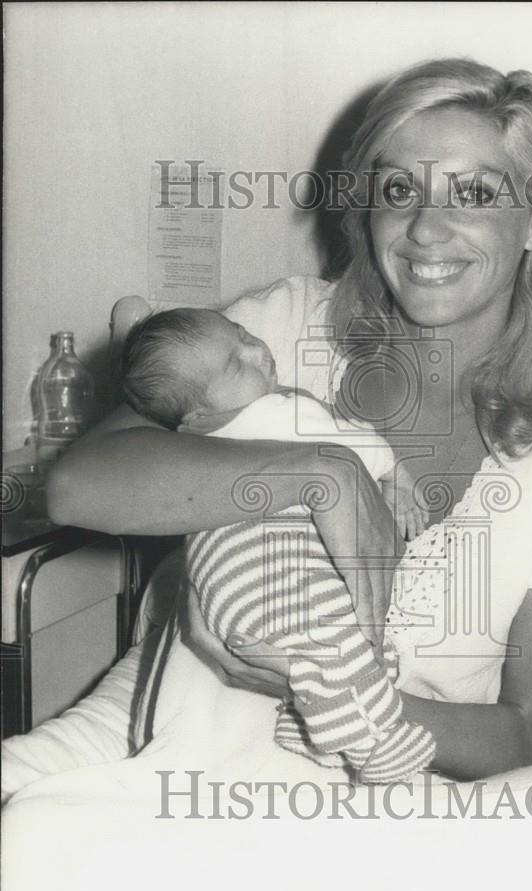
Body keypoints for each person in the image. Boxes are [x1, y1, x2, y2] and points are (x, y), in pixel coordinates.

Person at [3, 58, 532, 891]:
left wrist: (343, 707)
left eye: (472, 192)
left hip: (387, 801)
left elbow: (526, 738)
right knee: (26, 844)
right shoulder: (273, 334)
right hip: (171, 755)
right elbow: (84, 486)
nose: (426, 229)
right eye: (398, 191)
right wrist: (319, 473)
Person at [120, 305, 435, 782]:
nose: (255, 350)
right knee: (344, 640)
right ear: (199, 412)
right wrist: (396, 476)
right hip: (277, 568)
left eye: (243, 334)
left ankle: (306, 724)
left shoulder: (191, 443)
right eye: (234, 364)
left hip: (226, 585)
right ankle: (378, 743)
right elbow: (347, 445)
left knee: (326, 649)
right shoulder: (274, 410)